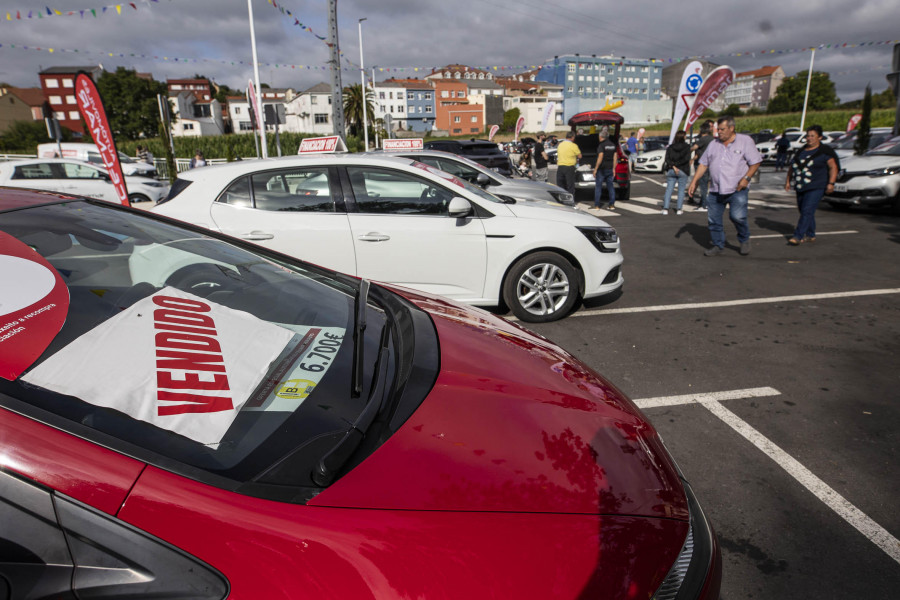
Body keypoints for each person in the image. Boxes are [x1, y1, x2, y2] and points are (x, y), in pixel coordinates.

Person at [687, 116, 762, 257]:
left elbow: (755, 162)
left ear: (731, 128)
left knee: (737, 217)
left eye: (722, 129)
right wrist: (694, 181)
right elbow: (703, 164)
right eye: (717, 129)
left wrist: (746, 178)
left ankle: (744, 239)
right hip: (716, 189)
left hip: (737, 189)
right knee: (713, 220)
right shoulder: (714, 144)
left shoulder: (745, 141)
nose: (719, 132)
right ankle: (718, 245)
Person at [784, 125, 839, 245]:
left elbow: (833, 167)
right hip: (801, 185)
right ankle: (810, 234)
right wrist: (788, 181)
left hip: (816, 185)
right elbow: (792, 167)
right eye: (808, 136)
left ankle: (798, 236)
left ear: (819, 137)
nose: (809, 138)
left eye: (812, 136)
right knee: (804, 210)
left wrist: (831, 183)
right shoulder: (801, 151)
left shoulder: (825, 152)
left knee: (807, 210)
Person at [661, 130, 691, 215]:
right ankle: (679, 209)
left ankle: (665, 208)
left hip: (671, 170)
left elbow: (667, 159)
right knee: (681, 190)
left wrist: (673, 166)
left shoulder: (670, 147)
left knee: (669, 189)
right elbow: (686, 159)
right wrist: (677, 166)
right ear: (683, 137)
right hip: (683, 170)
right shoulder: (687, 147)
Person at [689, 120, 714, 211]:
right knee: (706, 184)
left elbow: (694, 148)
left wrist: (686, 150)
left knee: (703, 185)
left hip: (702, 164)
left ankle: (704, 205)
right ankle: (702, 203)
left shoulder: (703, 139)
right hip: (710, 164)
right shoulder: (712, 139)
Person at [592, 128, 618, 210]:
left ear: (601, 137)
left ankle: (597, 205)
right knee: (610, 187)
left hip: (602, 169)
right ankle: (611, 204)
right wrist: (614, 168)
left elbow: (600, 157)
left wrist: (595, 168)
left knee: (598, 187)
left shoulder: (601, 145)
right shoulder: (613, 145)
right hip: (610, 168)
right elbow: (615, 158)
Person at [555, 130, 581, 196]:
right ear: (572, 137)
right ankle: (570, 201)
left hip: (560, 167)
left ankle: (561, 200)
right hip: (569, 167)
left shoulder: (560, 145)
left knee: (560, 185)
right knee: (570, 185)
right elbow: (580, 156)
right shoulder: (574, 146)